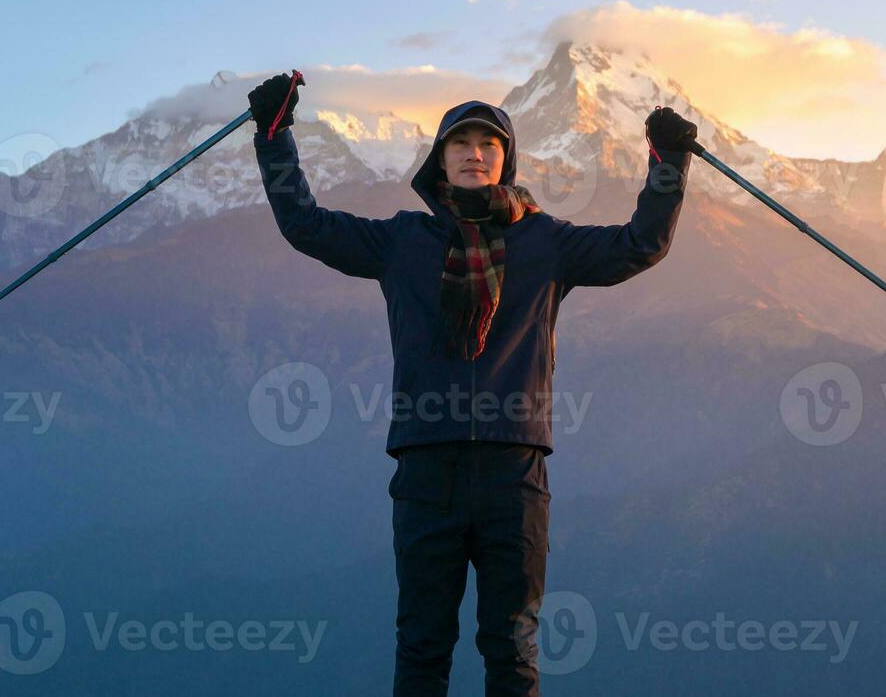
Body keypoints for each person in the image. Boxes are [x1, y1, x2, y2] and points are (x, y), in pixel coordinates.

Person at [247, 70, 698, 697]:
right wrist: (274, 136)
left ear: (506, 159)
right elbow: (307, 224)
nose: (475, 153)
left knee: (512, 651)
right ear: (440, 159)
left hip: (513, 472)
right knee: (423, 647)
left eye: (489, 144)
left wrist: (668, 160)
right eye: (461, 144)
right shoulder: (402, 240)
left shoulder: (546, 241)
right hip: (427, 468)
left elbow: (639, 244)